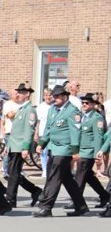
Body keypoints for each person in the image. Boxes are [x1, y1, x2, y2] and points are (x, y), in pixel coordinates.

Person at [33, 84, 87, 217]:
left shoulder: (72, 111)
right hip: (53, 148)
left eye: (57, 96)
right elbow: (48, 129)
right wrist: (41, 144)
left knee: (54, 178)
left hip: (64, 149)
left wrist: (75, 151)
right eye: (53, 96)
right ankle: (81, 206)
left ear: (64, 97)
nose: (54, 98)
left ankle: (46, 207)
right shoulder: (52, 110)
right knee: (67, 179)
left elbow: (75, 133)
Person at [3, 83, 42, 208]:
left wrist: (25, 147)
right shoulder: (21, 109)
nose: (18, 94)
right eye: (18, 91)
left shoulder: (29, 110)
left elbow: (29, 130)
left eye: (21, 92)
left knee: (13, 172)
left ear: (27, 94)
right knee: (11, 171)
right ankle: (35, 191)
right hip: (14, 145)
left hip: (20, 146)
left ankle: (10, 199)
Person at [73, 94, 109, 209]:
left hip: (88, 152)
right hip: (81, 149)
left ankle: (77, 200)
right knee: (88, 176)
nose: (84, 105)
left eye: (87, 103)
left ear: (93, 105)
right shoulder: (81, 116)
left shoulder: (96, 118)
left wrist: (97, 155)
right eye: (82, 103)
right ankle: (105, 196)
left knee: (80, 175)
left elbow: (98, 137)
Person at [36, 88, 53, 177]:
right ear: (43, 96)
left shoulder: (54, 106)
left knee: (51, 153)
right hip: (43, 132)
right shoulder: (40, 107)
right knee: (43, 152)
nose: (48, 97)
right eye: (46, 95)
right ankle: (45, 169)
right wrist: (36, 133)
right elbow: (38, 121)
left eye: (50, 95)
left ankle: (50, 169)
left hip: (53, 133)